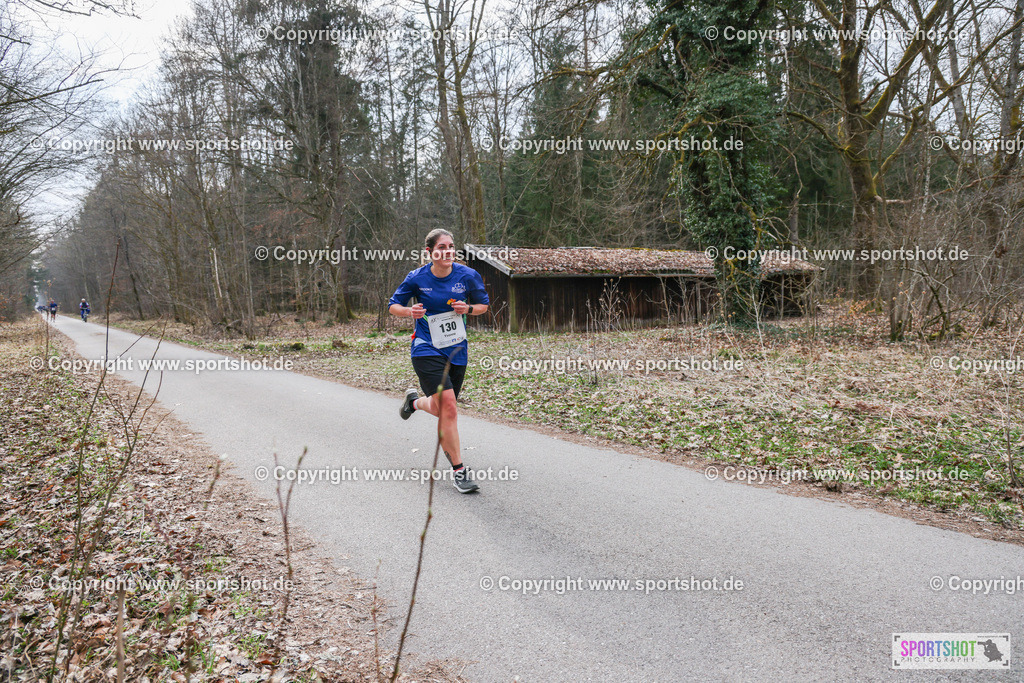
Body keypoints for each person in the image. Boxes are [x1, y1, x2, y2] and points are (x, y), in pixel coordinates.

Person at [388, 229, 490, 493]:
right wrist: (409, 311)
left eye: (451, 246)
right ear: (430, 252)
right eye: (442, 247)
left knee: (442, 408)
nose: (447, 251)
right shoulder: (417, 277)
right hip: (426, 348)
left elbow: (483, 306)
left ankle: (414, 402)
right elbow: (393, 305)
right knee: (450, 407)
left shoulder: (468, 275)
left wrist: (468, 309)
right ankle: (459, 471)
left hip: (456, 350)